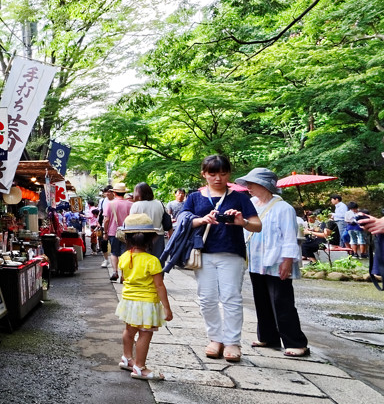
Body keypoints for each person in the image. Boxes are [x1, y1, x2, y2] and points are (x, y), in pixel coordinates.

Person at [181, 154, 261, 363]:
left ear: (229, 174)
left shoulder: (240, 197)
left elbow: (257, 225)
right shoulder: (194, 197)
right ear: (204, 174)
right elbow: (182, 221)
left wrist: (241, 222)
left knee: (231, 298)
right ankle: (215, 339)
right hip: (203, 253)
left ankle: (233, 342)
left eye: (223, 173)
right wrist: (201, 220)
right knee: (207, 299)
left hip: (231, 252)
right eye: (213, 173)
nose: (218, 178)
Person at [235, 168, 309, 357]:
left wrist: (287, 261)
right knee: (261, 300)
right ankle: (268, 336)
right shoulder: (252, 204)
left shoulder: (284, 208)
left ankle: (296, 342)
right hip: (256, 259)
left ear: (264, 185)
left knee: (282, 301)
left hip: (276, 261)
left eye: (252, 184)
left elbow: (289, 237)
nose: (248, 187)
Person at [114, 213, 173, 380]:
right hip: (146, 303)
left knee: (129, 330)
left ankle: (127, 358)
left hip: (128, 301)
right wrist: (167, 308)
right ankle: (139, 367)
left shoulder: (124, 257)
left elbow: (124, 278)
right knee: (145, 334)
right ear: (151, 239)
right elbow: (159, 286)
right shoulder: (152, 261)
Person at [104, 183, 133, 282]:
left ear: (114, 192)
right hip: (127, 232)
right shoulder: (130, 205)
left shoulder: (110, 204)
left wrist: (105, 232)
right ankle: (123, 275)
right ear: (124, 193)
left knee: (114, 252)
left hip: (113, 232)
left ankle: (115, 271)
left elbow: (106, 220)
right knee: (125, 254)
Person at [130, 182, 168, 259]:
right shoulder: (159, 203)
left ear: (139, 193)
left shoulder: (136, 205)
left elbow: (131, 223)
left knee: (143, 260)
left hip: (141, 238)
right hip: (158, 236)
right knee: (158, 261)